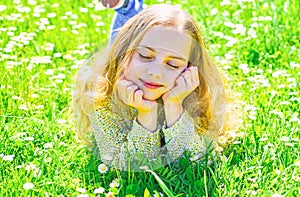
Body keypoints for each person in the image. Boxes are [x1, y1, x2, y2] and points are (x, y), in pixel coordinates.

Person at [73, 0, 242, 171]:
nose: (155, 72)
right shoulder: (103, 95)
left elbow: (194, 163)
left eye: (173, 64)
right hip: (124, 65)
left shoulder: (195, 95)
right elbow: (130, 164)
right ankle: (129, 8)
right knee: (119, 34)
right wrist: (146, 115)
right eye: (145, 56)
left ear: (189, 69)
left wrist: (174, 104)